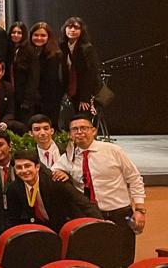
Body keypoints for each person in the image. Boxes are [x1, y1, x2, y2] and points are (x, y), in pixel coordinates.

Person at [53, 114, 146, 266]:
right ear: (70, 134)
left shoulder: (113, 150)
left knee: (123, 260)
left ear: (94, 131)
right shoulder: (69, 156)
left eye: (84, 128)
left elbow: (134, 178)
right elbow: (54, 170)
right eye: (75, 129)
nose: (79, 132)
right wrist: (61, 172)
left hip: (119, 214)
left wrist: (140, 209)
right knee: (95, 259)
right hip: (91, 216)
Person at [8, 150, 100, 233]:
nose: (24, 170)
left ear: (37, 167)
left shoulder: (55, 180)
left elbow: (82, 202)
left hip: (68, 226)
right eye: (19, 167)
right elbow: (13, 218)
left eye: (27, 166)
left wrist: (100, 223)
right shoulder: (14, 188)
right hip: (42, 230)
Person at [60, 17, 102, 114]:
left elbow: (91, 74)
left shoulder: (86, 48)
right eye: (69, 27)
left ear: (81, 30)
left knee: (83, 117)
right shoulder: (62, 46)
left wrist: (84, 98)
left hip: (85, 92)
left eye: (76, 27)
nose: (72, 30)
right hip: (69, 90)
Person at [29, 22, 64, 128]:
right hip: (32, 97)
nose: (39, 38)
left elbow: (51, 79)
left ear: (49, 37)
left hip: (49, 98)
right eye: (36, 35)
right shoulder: (28, 52)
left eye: (43, 35)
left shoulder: (55, 55)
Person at [7, 21, 38, 120]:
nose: (16, 35)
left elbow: (34, 77)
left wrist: (27, 99)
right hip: (10, 95)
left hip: (24, 96)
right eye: (13, 32)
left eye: (19, 33)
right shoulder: (8, 49)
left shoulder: (30, 50)